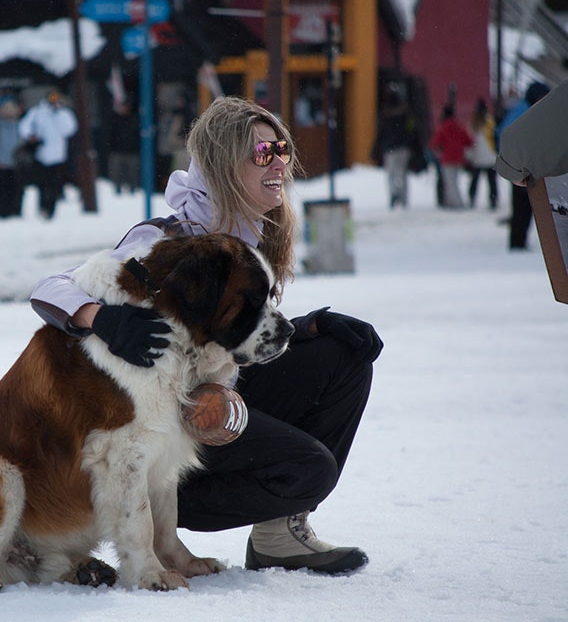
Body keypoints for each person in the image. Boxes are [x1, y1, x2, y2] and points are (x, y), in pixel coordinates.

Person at [30, 96, 383, 575]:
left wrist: (308, 328)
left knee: (343, 355)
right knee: (309, 469)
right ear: (223, 165)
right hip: (167, 438)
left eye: (282, 149)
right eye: (263, 154)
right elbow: (50, 288)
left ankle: (280, 535)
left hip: (214, 396)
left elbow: (227, 336)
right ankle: (170, 510)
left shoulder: (253, 233)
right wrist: (100, 317)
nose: (279, 162)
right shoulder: (168, 238)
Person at [495, 81, 552, 250]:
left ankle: (520, 241)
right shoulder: (524, 110)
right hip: (522, 166)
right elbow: (508, 136)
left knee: (528, 205)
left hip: (530, 165)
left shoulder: (532, 109)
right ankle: (517, 243)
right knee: (523, 206)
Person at [18, 89, 78, 219]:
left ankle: (51, 210)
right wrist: (31, 136)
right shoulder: (38, 112)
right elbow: (24, 127)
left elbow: (70, 129)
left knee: (55, 185)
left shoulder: (63, 114)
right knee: (42, 184)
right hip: (41, 155)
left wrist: (58, 113)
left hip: (57, 156)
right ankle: (43, 208)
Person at [372, 91, 416, 209]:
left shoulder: (385, 116)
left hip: (389, 148)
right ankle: (404, 197)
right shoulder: (406, 115)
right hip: (403, 148)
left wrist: (375, 149)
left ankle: (394, 194)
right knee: (402, 173)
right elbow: (412, 131)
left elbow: (381, 134)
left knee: (391, 174)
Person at [429, 104, 473, 209]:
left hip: (447, 158)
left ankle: (456, 203)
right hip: (458, 158)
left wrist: (438, 150)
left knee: (450, 182)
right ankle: (453, 201)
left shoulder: (443, 127)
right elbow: (469, 141)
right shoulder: (459, 126)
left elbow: (434, 143)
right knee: (455, 181)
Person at [465, 98, 499, 210]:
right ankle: (493, 199)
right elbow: (496, 136)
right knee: (492, 181)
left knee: (475, 180)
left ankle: (472, 198)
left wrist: (469, 155)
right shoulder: (490, 121)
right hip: (490, 156)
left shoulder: (473, 123)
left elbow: (470, 140)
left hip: (477, 156)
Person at [107, 98, 141, 195]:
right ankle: (117, 189)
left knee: (132, 173)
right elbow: (111, 135)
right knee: (117, 172)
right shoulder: (115, 119)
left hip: (131, 151)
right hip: (118, 150)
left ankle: (133, 189)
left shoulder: (134, 119)